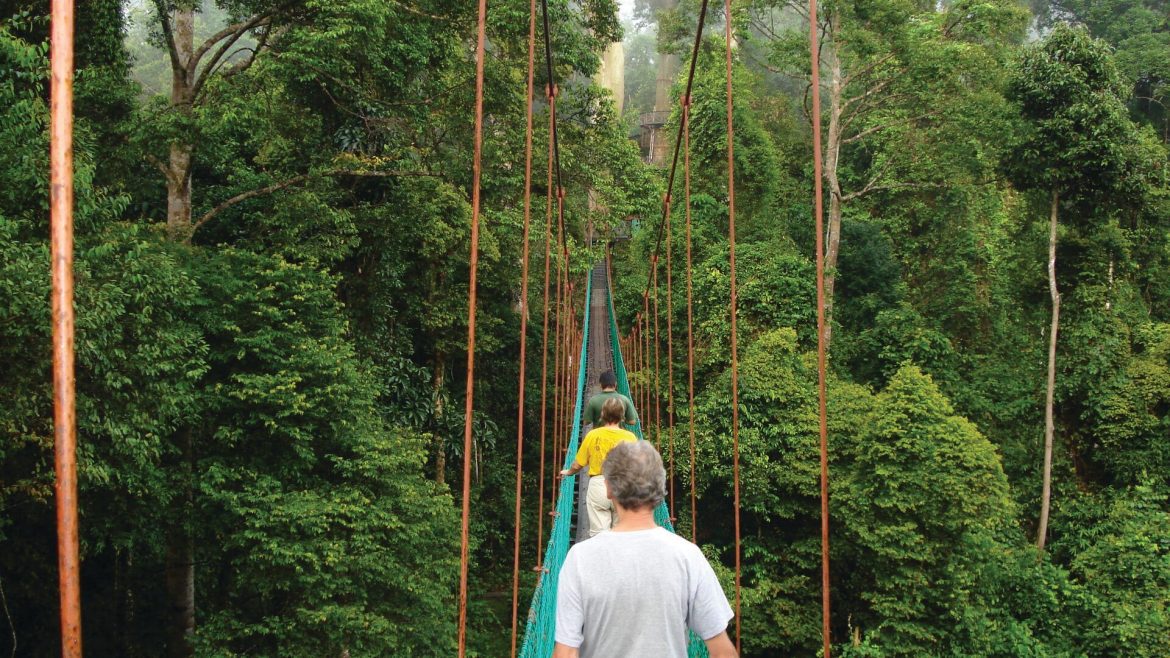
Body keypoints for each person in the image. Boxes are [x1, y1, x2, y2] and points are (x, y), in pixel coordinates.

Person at [554, 441, 738, 658]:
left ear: (609, 489)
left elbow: (565, 653)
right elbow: (723, 652)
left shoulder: (580, 558)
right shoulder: (688, 556)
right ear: (660, 488)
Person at [559, 398, 637, 537]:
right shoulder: (630, 437)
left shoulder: (593, 435)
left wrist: (569, 472)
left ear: (602, 414)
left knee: (599, 537)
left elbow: (578, 464)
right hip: (623, 485)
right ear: (622, 416)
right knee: (623, 535)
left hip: (599, 485)